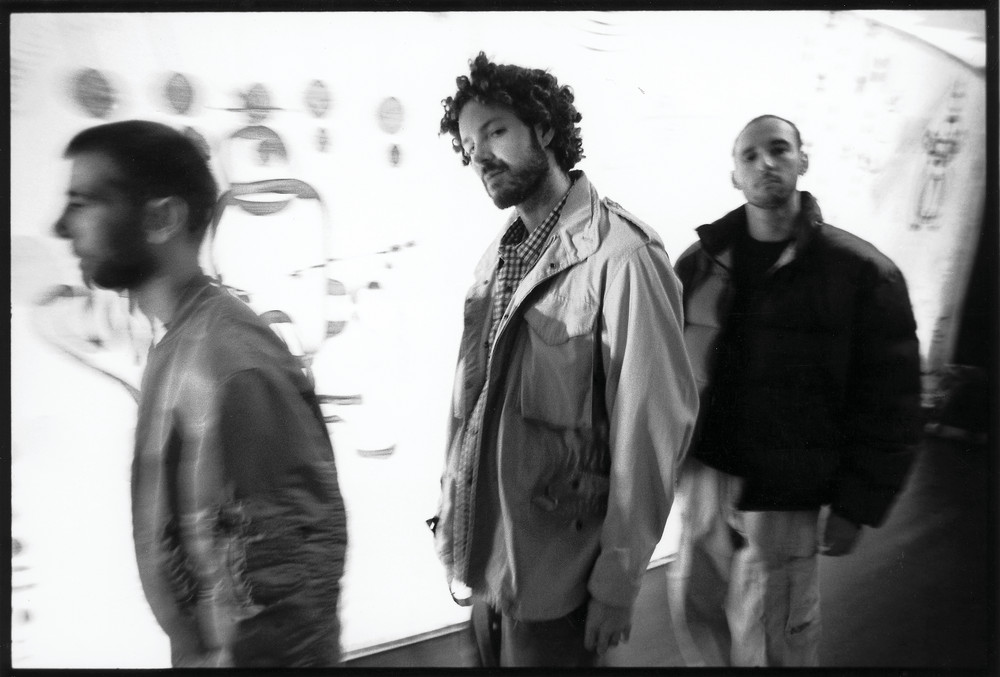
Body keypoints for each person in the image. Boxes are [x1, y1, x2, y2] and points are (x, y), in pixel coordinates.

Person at [430, 52, 698, 667]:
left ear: (545, 129)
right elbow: (473, 412)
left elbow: (651, 433)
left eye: (496, 132)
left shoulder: (622, 257)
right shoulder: (498, 257)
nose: (480, 156)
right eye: (469, 146)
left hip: (560, 574)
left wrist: (617, 585)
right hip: (491, 557)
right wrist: (458, 525)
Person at [53, 120, 347, 667]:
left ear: (161, 218)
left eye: (85, 203)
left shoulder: (231, 365)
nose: (63, 226)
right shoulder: (181, 341)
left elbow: (281, 594)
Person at [669, 114, 921, 667]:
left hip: (786, 491)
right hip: (706, 477)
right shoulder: (699, 262)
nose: (766, 163)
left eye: (779, 149)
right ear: (734, 175)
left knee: (775, 637)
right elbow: (667, 371)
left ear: (802, 160)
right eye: (750, 155)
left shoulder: (860, 272)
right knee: (698, 612)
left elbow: (893, 400)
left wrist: (858, 505)